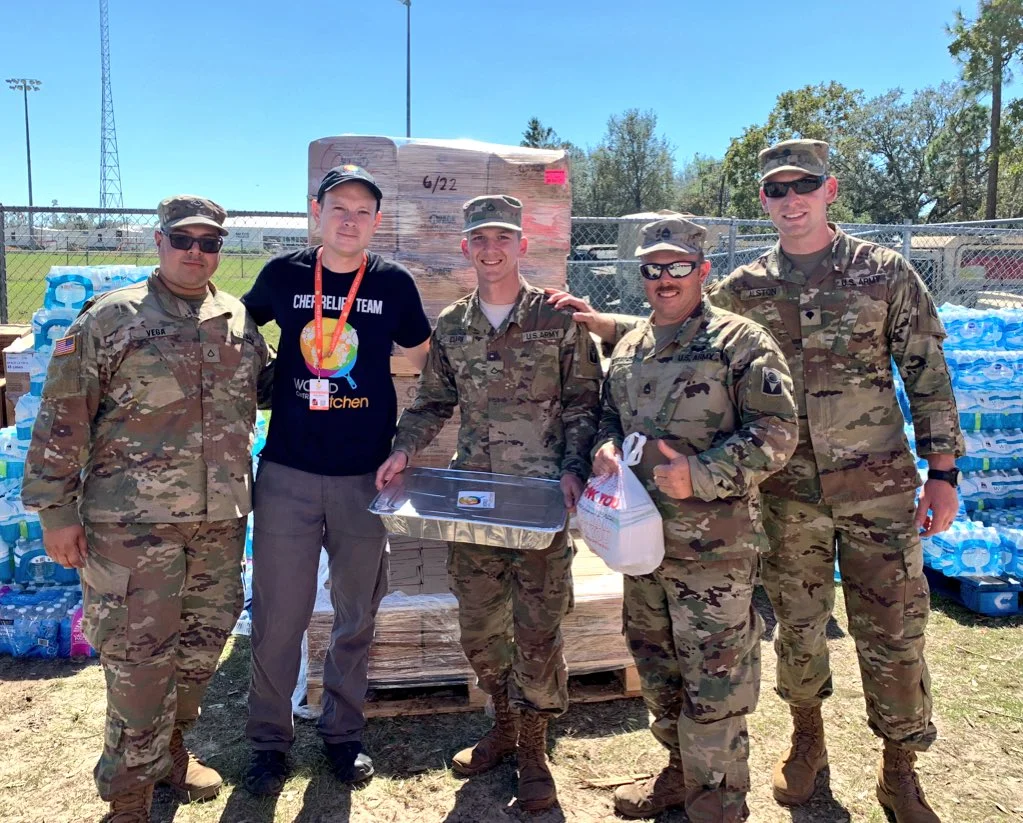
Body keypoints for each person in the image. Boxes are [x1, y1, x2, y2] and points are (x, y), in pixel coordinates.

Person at [550, 141, 965, 823]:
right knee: (800, 632)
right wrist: (606, 327)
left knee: (892, 633)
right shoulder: (745, 285)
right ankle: (808, 742)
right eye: (776, 189)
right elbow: (682, 327)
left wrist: (942, 471)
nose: (790, 198)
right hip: (785, 497)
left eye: (803, 184)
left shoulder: (883, 273)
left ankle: (899, 770)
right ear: (764, 201)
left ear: (829, 189)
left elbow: (927, 374)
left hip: (877, 488)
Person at [22, 195, 269, 823]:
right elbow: (61, 417)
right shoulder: (113, 318)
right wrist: (55, 510)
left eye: (209, 243)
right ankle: (129, 798)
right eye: (182, 239)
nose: (196, 252)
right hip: (132, 530)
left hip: (217, 525)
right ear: (158, 242)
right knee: (137, 663)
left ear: (220, 251)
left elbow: (264, 394)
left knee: (200, 648)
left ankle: (172, 753)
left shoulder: (236, 319)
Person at [375, 194, 601, 812]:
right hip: (475, 498)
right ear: (466, 248)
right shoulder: (453, 325)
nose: (492, 248)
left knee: (538, 628)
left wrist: (576, 470)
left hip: (540, 501)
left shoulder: (558, 321)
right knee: (480, 626)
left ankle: (534, 748)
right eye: (481, 239)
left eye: (503, 237)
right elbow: (432, 402)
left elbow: (587, 404)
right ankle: (503, 721)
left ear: (521, 245)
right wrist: (403, 449)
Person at [586, 216, 796, 822]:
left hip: (715, 557)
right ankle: (678, 774)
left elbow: (778, 433)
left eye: (678, 267)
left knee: (715, 688)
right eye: (652, 269)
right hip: (643, 546)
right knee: (657, 671)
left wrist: (700, 474)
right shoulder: (629, 347)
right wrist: (604, 446)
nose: (664, 279)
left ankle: (720, 805)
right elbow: (608, 417)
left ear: (702, 272)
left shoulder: (741, 342)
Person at [241, 164, 431, 794]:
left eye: (363, 211)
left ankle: (343, 736)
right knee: (278, 616)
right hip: (289, 473)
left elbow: (425, 358)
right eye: (338, 208)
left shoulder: (395, 284)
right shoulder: (283, 275)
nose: (350, 220)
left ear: (377, 222)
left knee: (356, 615)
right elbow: (236, 333)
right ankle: (269, 741)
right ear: (315, 211)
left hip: (363, 478)